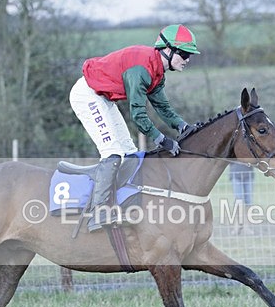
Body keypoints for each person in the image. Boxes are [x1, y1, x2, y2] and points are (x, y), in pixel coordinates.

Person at [69, 24, 200, 231]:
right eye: (184, 54)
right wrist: (162, 140)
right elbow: (138, 116)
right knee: (112, 153)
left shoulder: (157, 71)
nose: (187, 60)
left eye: (189, 55)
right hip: (87, 94)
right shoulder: (141, 70)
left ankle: (124, 203)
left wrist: (183, 127)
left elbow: (162, 107)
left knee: (129, 152)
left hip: (103, 98)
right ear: (167, 50)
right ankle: (98, 213)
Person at [228, 163, 254, 233]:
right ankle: (237, 225)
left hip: (248, 174)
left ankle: (246, 226)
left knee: (248, 201)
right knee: (238, 201)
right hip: (235, 174)